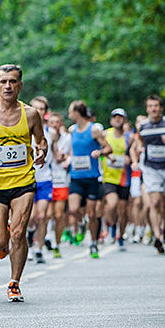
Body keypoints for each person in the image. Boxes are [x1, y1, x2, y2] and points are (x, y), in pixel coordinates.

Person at [0, 64, 47, 301]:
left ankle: (15, 282)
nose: (8, 86)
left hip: (23, 180)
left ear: (20, 85)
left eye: (12, 81)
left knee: (18, 232)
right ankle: (1, 239)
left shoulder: (31, 114)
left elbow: (41, 142)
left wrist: (42, 152)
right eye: (3, 82)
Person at [133, 95, 165, 254]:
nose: (153, 109)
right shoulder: (142, 125)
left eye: (156, 106)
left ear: (161, 108)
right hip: (150, 168)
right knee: (154, 202)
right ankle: (157, 235)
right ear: (147, 109)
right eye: (150, 106)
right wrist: (141, 148)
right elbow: (140, 141)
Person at [67, 100, 112, 259]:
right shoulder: (72, 130)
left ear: (77, 113)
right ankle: (80, 224)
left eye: (70, 111)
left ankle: (93, 242)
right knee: (73, 209)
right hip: (76, 177)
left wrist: (100, 153)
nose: (69, 114)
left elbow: (108, 148)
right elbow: (72, 149)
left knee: (92, 214)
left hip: (92, 178)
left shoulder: (94, 130)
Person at [101, 108, 132, 250]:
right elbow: (98, 149)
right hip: (108, 176)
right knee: (112, 204)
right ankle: (112, 226)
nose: (118, 119)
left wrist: (130, 159)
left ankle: (121, 235)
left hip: (124, 177)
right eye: (115, 117)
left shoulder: (129, 137)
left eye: (121, 117)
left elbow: (135, 154)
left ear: (124, 120)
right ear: (111, 120)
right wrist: (105, 155)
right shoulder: (105, 134)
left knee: (123, 210)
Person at [28, 96, 53, 264]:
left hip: (45, 178)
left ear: (45, 113)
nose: (38, 111)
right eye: (35, 108)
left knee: (42, 216)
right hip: (27, 178)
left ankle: (39, 248)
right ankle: (29, 241)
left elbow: (56, 153)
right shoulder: (23, 129)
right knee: (29, 218)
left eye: (41, 109)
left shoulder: (52, 133)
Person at [48, 111, 70, 258]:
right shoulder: (44, 137)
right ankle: (48, 238)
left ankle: (56, 243)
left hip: (61, 180)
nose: (55, 125)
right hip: (48, 180)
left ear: (61, 123)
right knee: (47, 214)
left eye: (57, 122)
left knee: (58, 214)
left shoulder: (67, 139)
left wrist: (67, 159)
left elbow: (73, 153)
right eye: (52, 122)